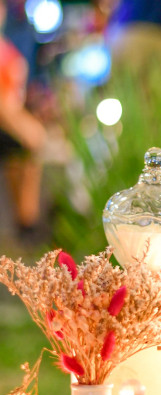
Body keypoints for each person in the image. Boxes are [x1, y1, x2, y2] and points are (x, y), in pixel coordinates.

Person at [0, 0, 45, 243]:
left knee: (24, 155)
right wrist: (25, 127)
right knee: (29, 144)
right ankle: (27, 222)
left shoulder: (8, 45)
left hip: (10, 122)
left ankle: (26, 222)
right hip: (7, 121)